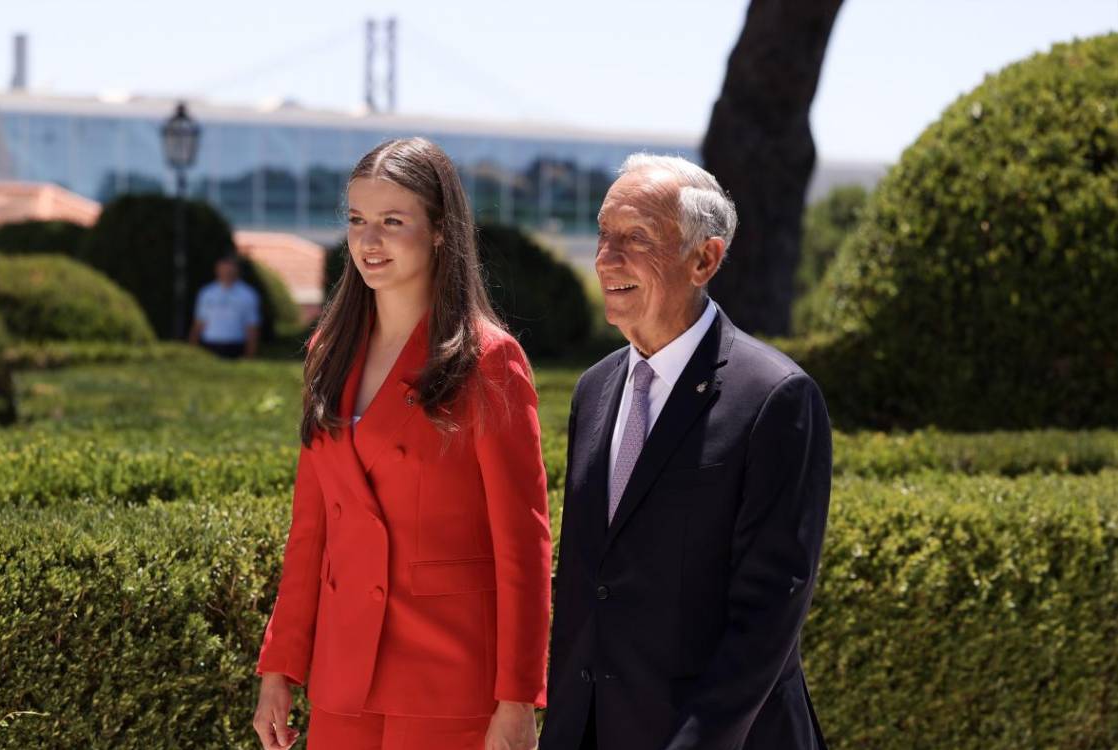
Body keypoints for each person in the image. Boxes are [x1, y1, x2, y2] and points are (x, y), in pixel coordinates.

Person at [252, 137, 552, 750]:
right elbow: (310, 529)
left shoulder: (489, 360)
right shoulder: (326, 355)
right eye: (358, 220)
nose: (368, 241)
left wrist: (518, 699)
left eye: (393, 222)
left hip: (449, 682)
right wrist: (280, 668)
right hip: (342, 682)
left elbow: (523, 546)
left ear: (441, 231)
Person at [540, 155, 832, 750]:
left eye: (636, 238)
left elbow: (767, 614)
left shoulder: (776, 397)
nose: (606, 258)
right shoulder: (593, 390)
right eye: (603, 235)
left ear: (705, 259)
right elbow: (585, 584)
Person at [189, 255, 260, 359]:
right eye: (223, 270)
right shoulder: (207, 293)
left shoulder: (248, 295)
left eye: (230, 270)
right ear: (217, 271)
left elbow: (252, 326)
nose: (227, 273)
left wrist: (250, 354)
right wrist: (192, 348)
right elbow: (199, 322)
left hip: (235, 345)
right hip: (210, 344)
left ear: (237, 271)